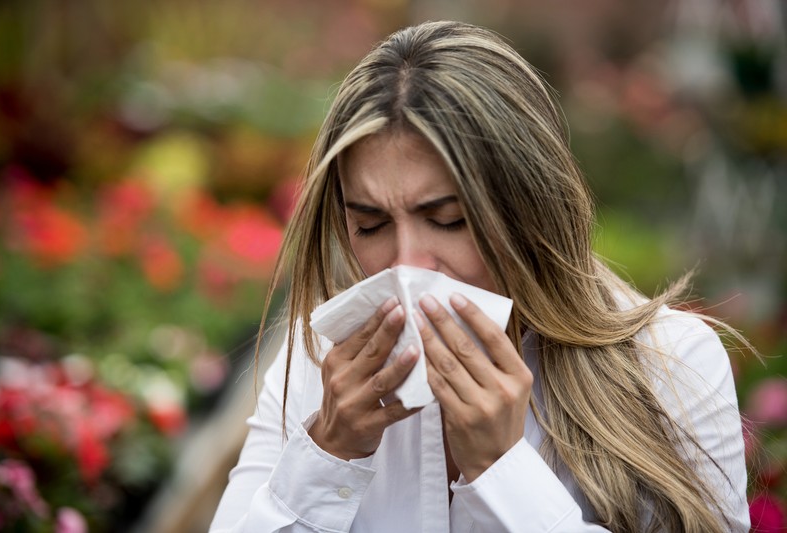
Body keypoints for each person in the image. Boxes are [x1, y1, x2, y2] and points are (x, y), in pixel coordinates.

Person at [210, 20, 750, 532]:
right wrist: (327, 453)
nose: (408, 264)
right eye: (371, 225)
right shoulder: (319, 361)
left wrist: (501, 470)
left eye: (448, 221)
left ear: (530, 206)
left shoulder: (671, 365)